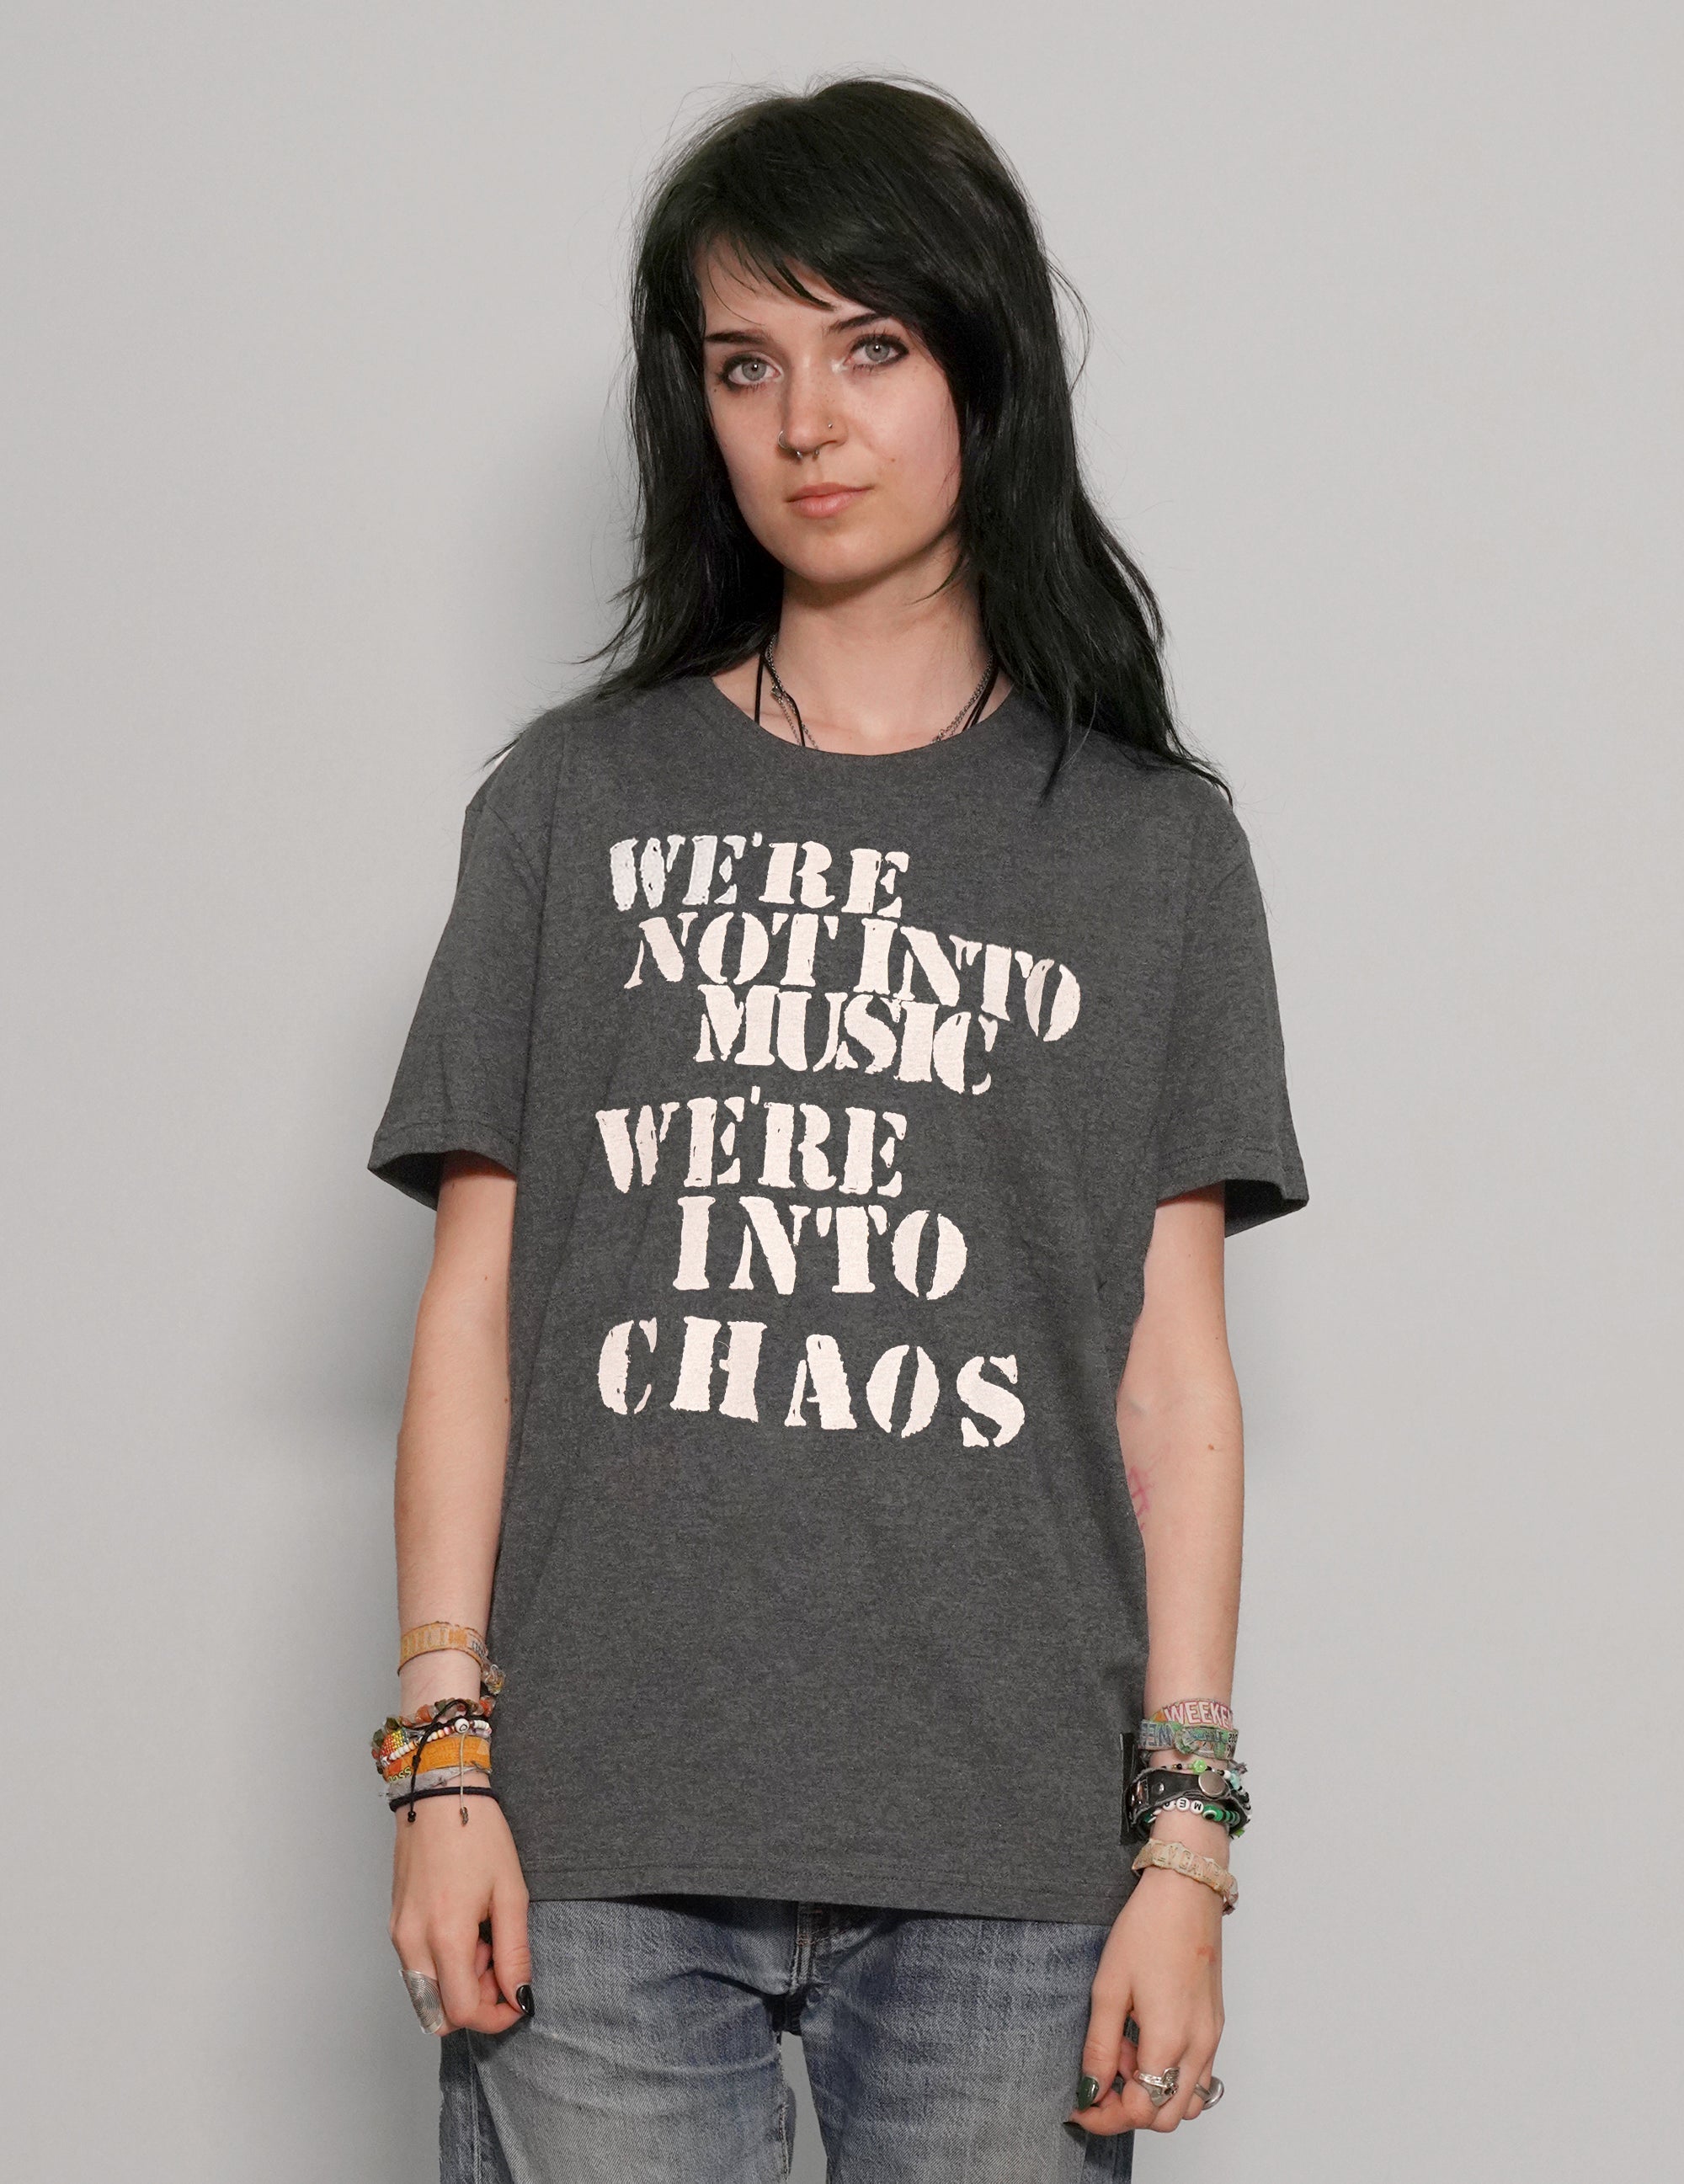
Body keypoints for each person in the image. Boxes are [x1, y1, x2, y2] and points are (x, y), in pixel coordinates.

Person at [367, 72, 1308, 2184]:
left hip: (1008, 1846)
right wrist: (442, 1764)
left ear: (980, 366)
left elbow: (1173, 1381)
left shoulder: (1151, 853)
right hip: (597, 1826)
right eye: (745, 363)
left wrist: (1186, 1847)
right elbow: (471, 1316)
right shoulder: (572, 805)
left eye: (869, 346)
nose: (807, 421)